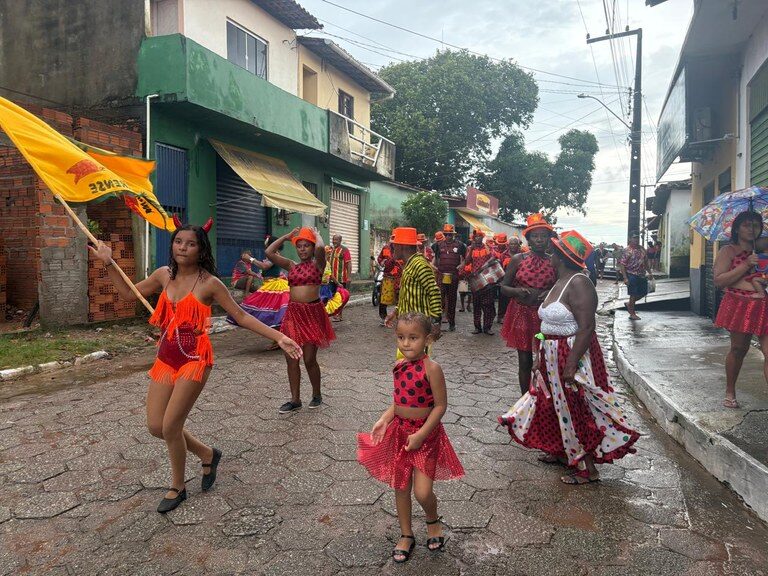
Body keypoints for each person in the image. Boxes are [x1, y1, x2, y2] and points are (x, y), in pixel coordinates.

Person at [88, 218, 302, 513]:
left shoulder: (209, 283)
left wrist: (280, 337)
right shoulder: (164, 275)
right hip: (166, 358)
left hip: (195, 359)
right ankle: (207, 453)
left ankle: (177, 486)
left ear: (201, 250)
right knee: (155, 426)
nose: (183, 248)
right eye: (178, 242)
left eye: (190, 244)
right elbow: (128, 294)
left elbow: (241, 316)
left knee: (171, 426)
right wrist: (109, 262)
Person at [499, 230, 640, 484]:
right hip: (551, 355)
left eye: (554, 252)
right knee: (554, 406)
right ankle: (561, 452)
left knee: (575, 409)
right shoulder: (559, 281)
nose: (549, 255)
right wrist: (539, 351)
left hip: (569, 356)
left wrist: (571, 363)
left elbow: (586, 328)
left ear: (562, 257)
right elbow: (548, 325)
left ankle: (587, 468)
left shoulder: (579, 283)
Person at [357, 312, 464, 563]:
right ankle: (406, 534)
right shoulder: (399, 366)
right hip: (400, 434)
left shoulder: (432, 368)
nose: (406, 344)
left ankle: (432, 520)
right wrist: (385, 419)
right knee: (401, 486)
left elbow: (440, 406)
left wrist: (421, 434)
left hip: (425, 435)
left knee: (423, 492)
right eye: (401, 337)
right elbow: (398, 403)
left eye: (413, 338)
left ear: (427, 339)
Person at [267, 227, 335, 413]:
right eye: (300, 246)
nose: (303, 249)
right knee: (291, 359)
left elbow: (321, 249)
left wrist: (318, 235)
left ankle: (316, 394)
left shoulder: (318, 265)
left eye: (307, 246)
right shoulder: (291, 265)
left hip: (312, 313)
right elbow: (269, 252)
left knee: (309, 359)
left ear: (312, 248)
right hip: (293, 315)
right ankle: (295, 400)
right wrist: (286, 237)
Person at [713, 210, 768, 408]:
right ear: (736, 228)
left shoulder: (762, 247)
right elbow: (719, 281)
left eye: (755, 225)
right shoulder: (728, 251)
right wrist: (746, 264)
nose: (751, 229)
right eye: (746, 224)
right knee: (738, 349)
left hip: (764, 303)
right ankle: (730, 391)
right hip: (739, 304)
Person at [500, 213, 557, 396]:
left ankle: (544, 396)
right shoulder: (518, 260)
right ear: (529, 239)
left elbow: (561, 287)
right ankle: (525, 399)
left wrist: (549, 292)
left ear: (549, 239)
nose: (539, 240)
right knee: (524, 360)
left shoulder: (554, 262)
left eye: (543, 236)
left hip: (544, 316)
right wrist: (516, 292)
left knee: (545, 358)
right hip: (521, 314)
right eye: (535, 236)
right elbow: (503, 287)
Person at [385, 227, 442, 349]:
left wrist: (436, 323)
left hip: (419, 330)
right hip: (409, 329)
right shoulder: (409, 265)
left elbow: (434, 293)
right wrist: (395, 312)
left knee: (418, 367)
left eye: (394, 246)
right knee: (405, 365)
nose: (392, 249)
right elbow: (406, 296)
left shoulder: (420, 265)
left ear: (402, 246)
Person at [432, 224, 466, 332]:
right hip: (441, 275)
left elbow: (465, 258)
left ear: (453, 235)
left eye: (450, 235)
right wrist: (434, 266)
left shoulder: (460, 245)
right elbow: (435, 258)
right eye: (446, 234)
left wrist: (461, 265)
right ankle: (437, 322)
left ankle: (452, 323)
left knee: (452, 300)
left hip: (453, 276)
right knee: (439, 299)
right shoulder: (438, 245)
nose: (448, 236)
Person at [464, 230, 496, 335]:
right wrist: (471, 249)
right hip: (475, 279)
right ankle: (477, 327)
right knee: (476, 304)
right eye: (476, 236)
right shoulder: (469, 248)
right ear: (473, 238)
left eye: (479, 236)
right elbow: (467, 261)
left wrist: (487, 264)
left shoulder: (488, 247)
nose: (477, 238)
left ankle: (487, 328)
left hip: (487, 279)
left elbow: (494, 258)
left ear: (482, 237)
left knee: (487, 305)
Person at [618, 233, 654, 320]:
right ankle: (632, 313)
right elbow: (622, 265)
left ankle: (629, 304)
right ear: (630, 239)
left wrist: (649, 272)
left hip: (641, 274)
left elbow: (645, 262)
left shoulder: (642, 249)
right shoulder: (627, 250)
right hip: (631, 274)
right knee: (633, 294)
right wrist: (625, 278)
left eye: (637, 238)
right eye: (634, 238)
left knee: (644, 292)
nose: (636, 240)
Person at [329, 234, 352, 321]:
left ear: (340, 240)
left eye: (336, 240)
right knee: (332, 296)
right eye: (333, 239)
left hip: (341, 278)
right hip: (331, 278)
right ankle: (334, 313)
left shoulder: (345, 250)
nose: (334, 241)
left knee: (340, 297)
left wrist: (349, 276)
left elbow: (348, 263)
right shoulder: (331, 249)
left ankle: (339, 315)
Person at [493, 233, 513, 324]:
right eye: (500, 243)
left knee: (509, 300)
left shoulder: (515, 253)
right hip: (499, 279)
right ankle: (499, 316)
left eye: (503, 243)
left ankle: (507, 317)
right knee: (501, 299)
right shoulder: (497, 251)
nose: (501, 245)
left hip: (512, 280)